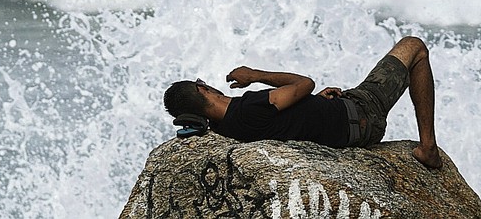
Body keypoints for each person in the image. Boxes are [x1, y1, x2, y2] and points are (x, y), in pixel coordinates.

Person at [163, 36, 442, 169]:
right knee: (414, 47)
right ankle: (428, 147)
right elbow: (305, 83)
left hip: (344, 121)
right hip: (362, 113)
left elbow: (283, 122)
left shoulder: (226, 128)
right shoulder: (249, 106)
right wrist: (255, 75)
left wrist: (313, 104)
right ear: (203, 89)